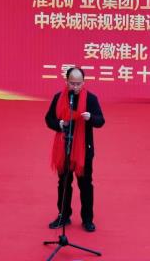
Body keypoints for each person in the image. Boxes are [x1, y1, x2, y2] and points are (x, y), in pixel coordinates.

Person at [45, 66, 105, 232]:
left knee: (85, 184)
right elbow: (48, 119)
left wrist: (90, 117)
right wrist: (59, 124)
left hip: (83, 150)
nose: (75, 87)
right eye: (72, 83)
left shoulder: (91, 99)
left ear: (83, 83)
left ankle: (87, 219)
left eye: (78, 84)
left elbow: (101, 121)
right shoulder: (59, 98)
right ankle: (63, 215)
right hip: (63, 147)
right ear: (66, 82)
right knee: (64, 183)